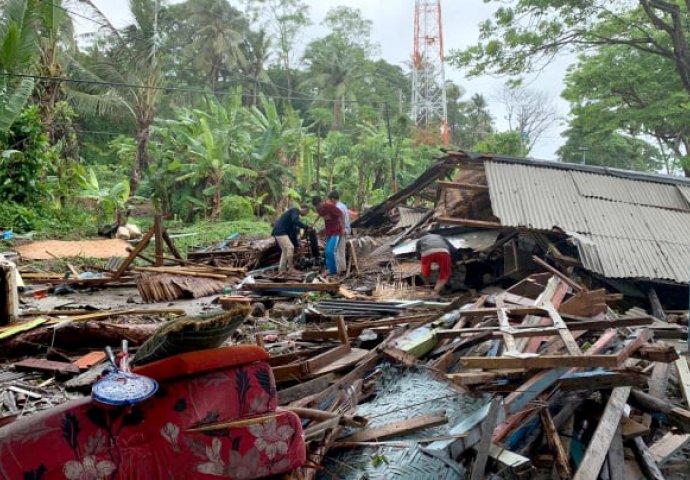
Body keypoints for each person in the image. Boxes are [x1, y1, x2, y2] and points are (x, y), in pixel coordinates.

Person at [271, 204, 310, 273]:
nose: (306, 214)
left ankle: (282, 270)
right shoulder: (295, 210)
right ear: (305, 210)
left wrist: (297, 244)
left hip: (279, 232)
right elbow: (295, 221)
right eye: (307, 213)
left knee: (285, 251)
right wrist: (305, 226)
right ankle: (291, 269)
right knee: (290, 247)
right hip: (280, 232)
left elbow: (294, 231)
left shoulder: (293, 213)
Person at [312, 195, 343, 276]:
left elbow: (341, 214)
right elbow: (320, 214)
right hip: (329, 232)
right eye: (316, 206)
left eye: (318, 205)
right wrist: (313, 222)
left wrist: (343, 227)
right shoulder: (318, 209)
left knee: (330, 251)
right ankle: (329, 269)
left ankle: (334, 272)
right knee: (326, 252)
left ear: (322, 202)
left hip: (336, 231)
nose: (318, 207)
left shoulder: (330, 206)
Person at [328, 191, 351, 273]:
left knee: (337, 250)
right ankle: (343, 268)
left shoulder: (337, 207)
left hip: (341, 230)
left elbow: (341, 217)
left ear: (333, 199)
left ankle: (339, 270)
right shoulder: (343, 206)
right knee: (341, 250)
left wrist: (342, 228)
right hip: (345, 229)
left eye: (330, 201)